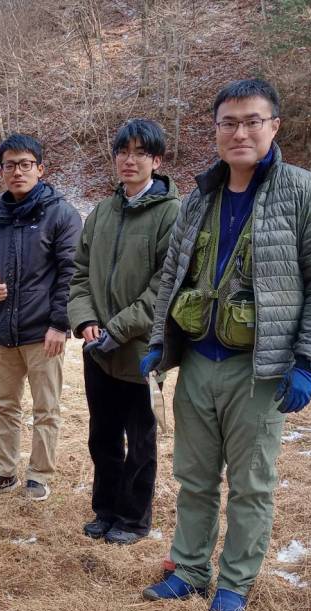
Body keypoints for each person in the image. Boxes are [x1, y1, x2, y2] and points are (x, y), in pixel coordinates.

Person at [140, 79, 311, 611]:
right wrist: (160, 343)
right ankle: (189, 569)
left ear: (274, 126)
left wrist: (307, 362)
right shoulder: (199, 198)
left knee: (251, 485)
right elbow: (173, 275)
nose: (240, 133)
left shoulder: (307, 195)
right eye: (228, 123)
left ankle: (234, 583)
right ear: (215, 131)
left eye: (253, 121)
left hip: (259, 369)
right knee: (194, 478)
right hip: (198, 363)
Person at [67, 119, 181, 545]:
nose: (129, 160)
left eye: (140, 153)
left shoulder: (171, 214)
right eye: (123, 152)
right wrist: (85, 321)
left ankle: (133, 518)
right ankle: (105, 509)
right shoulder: (102, 212)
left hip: (141, 350)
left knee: (140, 439)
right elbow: (80, 274)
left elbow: (164, 287)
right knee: (103, 435)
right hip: (98, 348)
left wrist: (118, 328)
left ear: (157, 161)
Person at [0, 133, 82, 501]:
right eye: (10, 166)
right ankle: (2, 470)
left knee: (45, 408)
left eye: (25, 164)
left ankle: (38, 475)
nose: (17, 172)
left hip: (43, 331)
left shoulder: (61, 214)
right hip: (3, 331)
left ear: (40, 168)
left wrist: (60, 324)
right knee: (2, 405)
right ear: (1, 171)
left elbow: (72, 272)